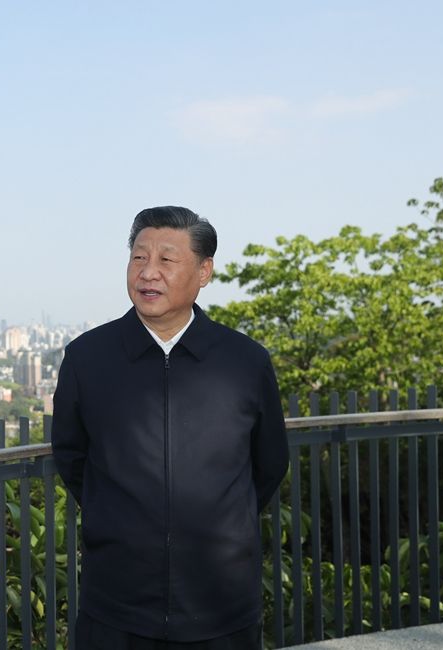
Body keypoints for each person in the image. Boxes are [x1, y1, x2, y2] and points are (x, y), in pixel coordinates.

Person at [52, 206, 289, 649]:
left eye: (166, 259)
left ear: (204, 272)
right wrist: (117, 517)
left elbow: (269, 463)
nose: (148, 273)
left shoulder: (244, 361)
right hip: (116, 602)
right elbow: (71, 455)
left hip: (221, 601)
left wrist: (218, 520)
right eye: (139, 257)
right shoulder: (87, 358)